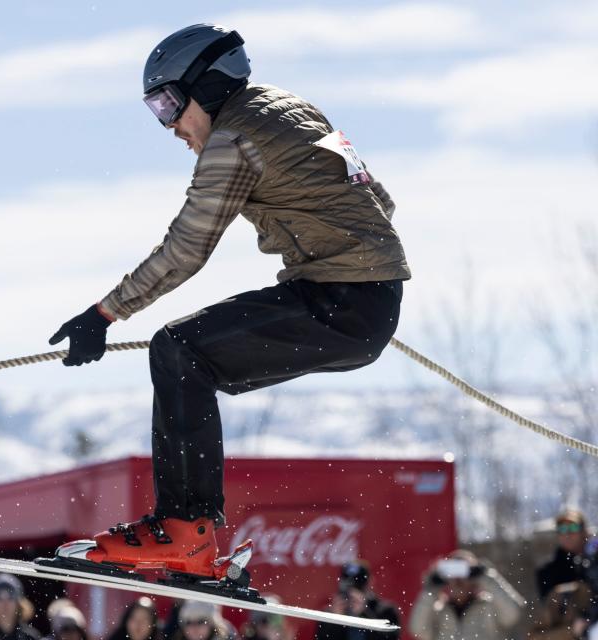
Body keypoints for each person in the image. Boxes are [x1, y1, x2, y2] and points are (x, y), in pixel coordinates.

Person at [50, 22, 409, 578]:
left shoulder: (232, 140)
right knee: (193, 359)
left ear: (208, 86)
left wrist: (105, 313)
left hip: (342, 298)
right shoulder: (293, 108)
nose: (169, 127)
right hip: (358, 298)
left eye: (169, 105)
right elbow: (377, 199)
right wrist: (365, 275)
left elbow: (188, 246)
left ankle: (185, 533)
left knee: (179, 351)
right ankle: (190, 537)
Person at [408, 550, 524, 640]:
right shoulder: (438, 612)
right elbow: (418, 629)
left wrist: (487, 578)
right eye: (453, 571)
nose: (459, 579)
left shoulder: (489, 607)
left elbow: (513, 614)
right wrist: (431, 589)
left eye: (464, 571)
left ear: (475, 577)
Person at [314, 562, 400, 640]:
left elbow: (391, 637)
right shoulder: (329, 612)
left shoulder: (386, 610)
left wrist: (364, 613)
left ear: (370, 583)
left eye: (358, 587)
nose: (352, 594)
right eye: (348, 588)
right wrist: (335, 619)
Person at [537, 509, 594, 600]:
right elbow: (549, 603)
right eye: (562, 529)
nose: (567, 533)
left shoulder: (594, 560)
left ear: (583, 532)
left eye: (573, 527)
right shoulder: (548, 570)